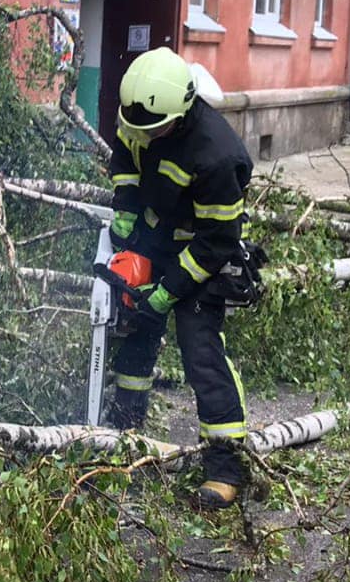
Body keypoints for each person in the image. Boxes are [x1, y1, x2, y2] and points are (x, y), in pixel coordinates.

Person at [105, 47, 256, 511]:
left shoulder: (217, 155)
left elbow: (217, 241)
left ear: (181, 112)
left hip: (202, 250)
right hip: (157, 232)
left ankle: (226, 465)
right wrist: (126, 208)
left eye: (154, 130)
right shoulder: (139, 114)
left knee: (200, 350)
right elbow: (125, 158)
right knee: (134, 327)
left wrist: (167, 292)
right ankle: (124, 430)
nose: (144, 135)